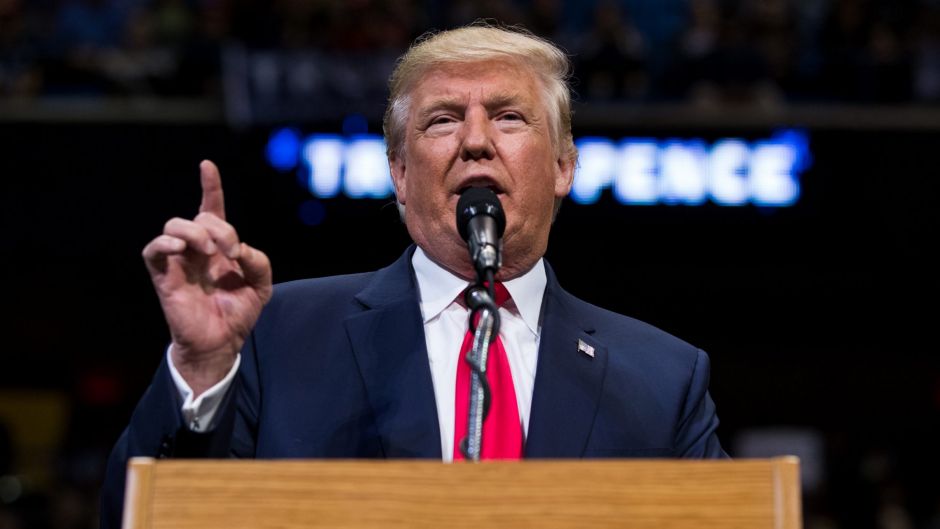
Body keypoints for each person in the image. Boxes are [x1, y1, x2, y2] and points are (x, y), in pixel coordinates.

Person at [100, 24, 727, 528]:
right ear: (399, 173)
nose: (476, 140)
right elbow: (141, 514)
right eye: (442, 120)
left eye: (509, 117)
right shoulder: (279, 334)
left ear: (564, 166)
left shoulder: (661, 378)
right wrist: (203, 370)